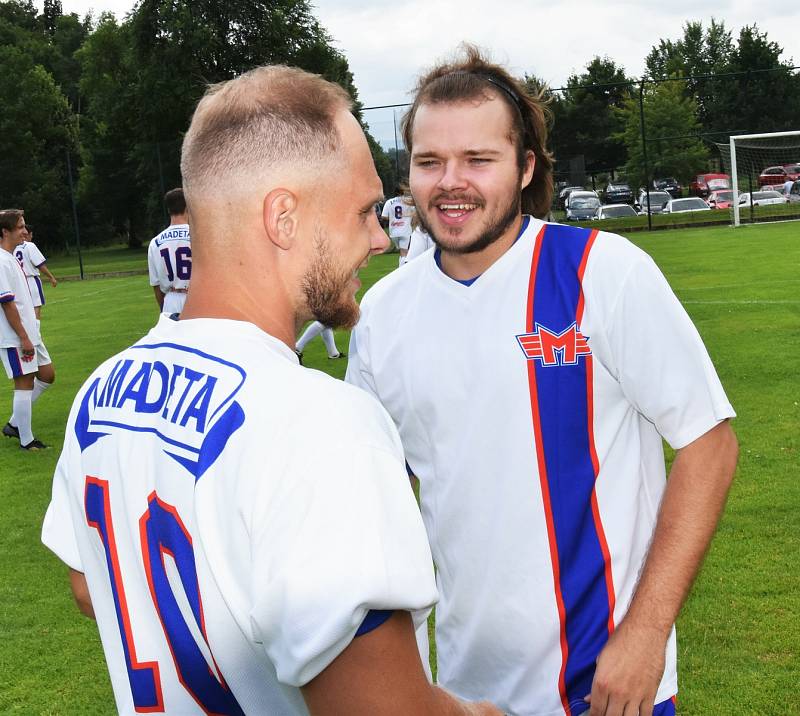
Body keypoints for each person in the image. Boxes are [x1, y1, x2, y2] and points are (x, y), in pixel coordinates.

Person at [41, 65, 499, 716]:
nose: (379, 237)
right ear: (284, 216)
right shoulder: (320, 421)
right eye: (364, 210)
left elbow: (91, 587)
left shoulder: (102, 390)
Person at [346, 46, 739, 716]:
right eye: (429, 161)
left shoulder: (603, 273)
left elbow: (709, 443)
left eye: (479, 159)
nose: (451, 181)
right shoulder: (383, 314)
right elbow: (373, 502)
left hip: (607, 685)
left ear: (525, 168)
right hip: (462, 696)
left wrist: (645, 637)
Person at [0, 209, 55, 450]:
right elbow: (7, 303)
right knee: (24, 384)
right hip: (15, 336)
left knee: (47, 374)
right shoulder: (1, 261)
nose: (25, 231)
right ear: (5, 232)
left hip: (30, 332)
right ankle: (27, 440)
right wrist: (23, 337)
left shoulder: (11, 256)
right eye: (20, 226)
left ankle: (14, 423)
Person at [147, 188, 192, 316]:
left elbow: (156, 285)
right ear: (188, 206)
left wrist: (163, 308)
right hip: (196, 298)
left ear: (168, 210)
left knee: (173, 337)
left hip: (170, 300)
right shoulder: (199, 237)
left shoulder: (155, 242)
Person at [14, 224, 57, 319]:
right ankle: (35, 332)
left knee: (22, 310)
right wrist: (51, 277)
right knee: (36, 307)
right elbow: (40, 264)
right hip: (31, 280)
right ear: (27, 234)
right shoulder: (30, 246)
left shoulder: (12, 247)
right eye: (31, 234)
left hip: (17, 281)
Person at [380, 189, 415, 265]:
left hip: (393, 232)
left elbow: (384, 216)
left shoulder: (389, 202)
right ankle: (403, 270)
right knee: (404, 253)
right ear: (403, 192)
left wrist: (392, 218)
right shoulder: (408, 201)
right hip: (405, 230)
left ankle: (402, 268)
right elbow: (415, 213)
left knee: (402, 252)